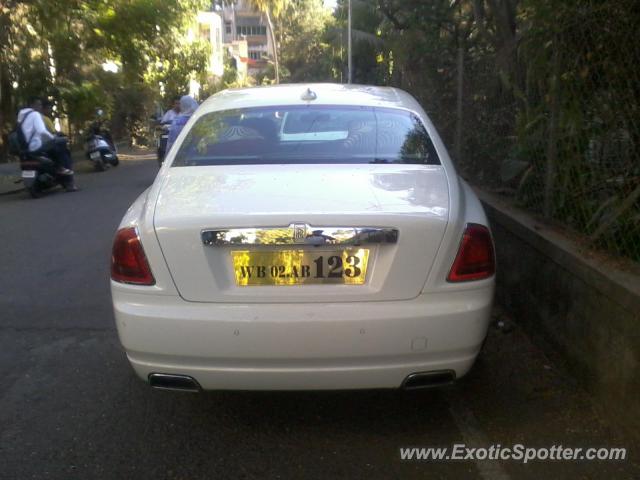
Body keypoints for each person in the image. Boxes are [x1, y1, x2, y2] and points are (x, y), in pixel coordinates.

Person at [17, 97, 78, 191]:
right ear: (32, 105)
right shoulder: (35, 114)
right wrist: (53, 138)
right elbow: (42, 131)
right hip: (35, 146)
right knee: (61, 149)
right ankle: (65, 175)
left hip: (25, 148)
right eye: (39, 105)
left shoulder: (21, 115)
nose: (40, 107)